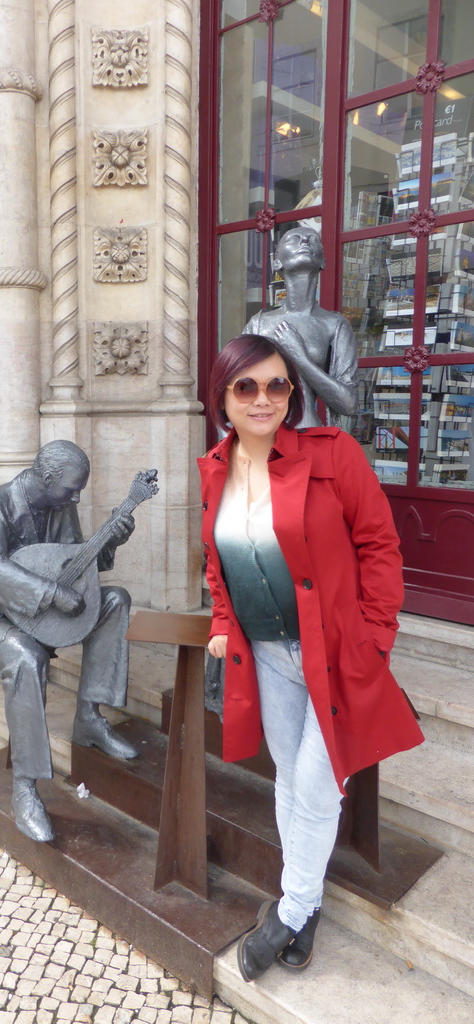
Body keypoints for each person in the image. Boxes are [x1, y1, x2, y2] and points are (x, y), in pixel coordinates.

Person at [198, 334, 424, 982]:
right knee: (289, 779)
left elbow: (380, 545)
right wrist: (221, 620)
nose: (263, 398)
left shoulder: (333, 455)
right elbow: (217, 562)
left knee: (316, 783)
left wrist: (377, 636)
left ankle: (290, 912)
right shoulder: (214, 467)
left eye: (276, 385)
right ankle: (309, 901)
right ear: (223, 397)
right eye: (247, 387)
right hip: (267, 655)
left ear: (293, 394)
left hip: (335, 655)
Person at [0, 440, 138, 843]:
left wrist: (111, 540)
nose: (76, 497)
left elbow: (76, 564)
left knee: (115, 601)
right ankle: (25, 788)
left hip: (48, 618)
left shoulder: (61, 505)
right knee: (25, 658)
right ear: (45, 477)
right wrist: (53, 595)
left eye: (79, 489)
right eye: (71, 489)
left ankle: (90, 718)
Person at [244, 227, 358, 427]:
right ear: (276, 261)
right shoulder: (259, 324)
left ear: (323, 261)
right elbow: (228, 393)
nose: (304, 241)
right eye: (294, 238)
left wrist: (300, 357)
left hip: (310, 438)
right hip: (265, 441)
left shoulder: (334, 325)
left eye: (313, 239)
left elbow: (348, 404)